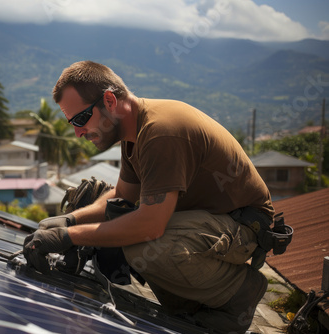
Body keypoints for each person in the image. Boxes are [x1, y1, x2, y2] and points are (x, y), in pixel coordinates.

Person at [23, 60, 275, 333]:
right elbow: (122, 195)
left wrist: (69, 237)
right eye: (72, 123)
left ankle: (239, 293)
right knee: (119, 220)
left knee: (142, 246)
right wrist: (69, 220)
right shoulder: (132, 133)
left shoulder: (160, 132)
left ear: (109, 100)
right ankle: (194, 304)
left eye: (81, 119)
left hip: (243, 227)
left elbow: (150, 225)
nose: (78, 132)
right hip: (207, 222)